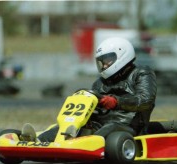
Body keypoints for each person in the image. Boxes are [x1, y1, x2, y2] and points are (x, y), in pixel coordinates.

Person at [29, 37, 157, 142]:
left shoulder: (141, 73)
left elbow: (145, 100)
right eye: (102, 62)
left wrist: (116, 102)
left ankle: (85, 143)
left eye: (107, 61)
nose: (104, 65)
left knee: (110, 128)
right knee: (71, 126)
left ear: (121, 55)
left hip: (128, 126)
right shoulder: (100, 83)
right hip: (100, 124)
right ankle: (37, 141)